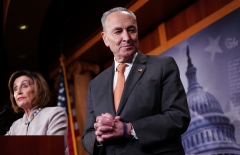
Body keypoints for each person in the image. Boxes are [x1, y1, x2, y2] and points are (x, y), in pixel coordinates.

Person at [81, 7, 191, 155]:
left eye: (131, 30)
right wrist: (100, 135)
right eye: (118, 32)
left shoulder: (163, 66)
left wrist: (128, 129)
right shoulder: (95, 85)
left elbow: (178, 117)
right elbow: (87, 136)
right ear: (105, 39)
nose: (126, 37)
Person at [6, 70, 68, 155]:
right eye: (15, 89)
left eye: (24, 86)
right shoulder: (15, 127)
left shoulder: (55, 114)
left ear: (37, 89)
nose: (18, 92)